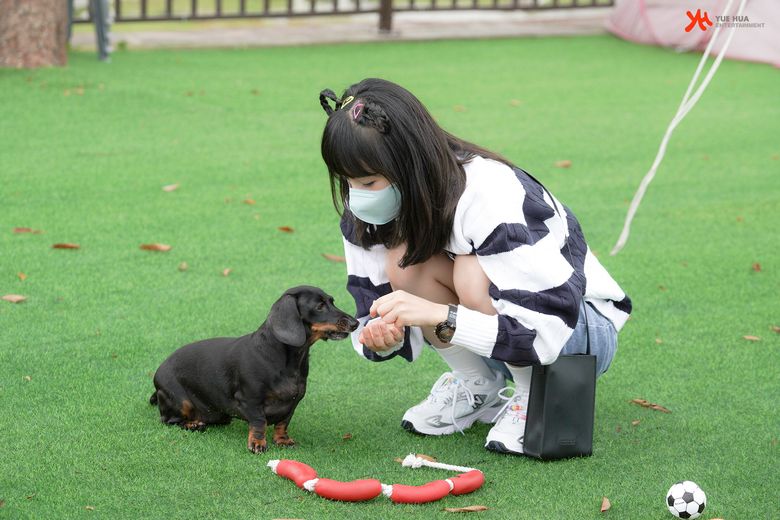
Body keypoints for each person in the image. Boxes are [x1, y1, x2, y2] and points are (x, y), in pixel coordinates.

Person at [317, 78, 632, 456]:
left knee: (471, 268)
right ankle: (477, 385)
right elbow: (373, 309)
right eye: (348, 183)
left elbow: (543, 327)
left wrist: (437, 314)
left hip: (575, 331)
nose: (358, 196)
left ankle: (533, 395)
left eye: (369, 181)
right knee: (405, 265)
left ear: (408, 163)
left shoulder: (490, 192)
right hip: (497, 333)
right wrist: (386, 337)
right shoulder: (365, 213)